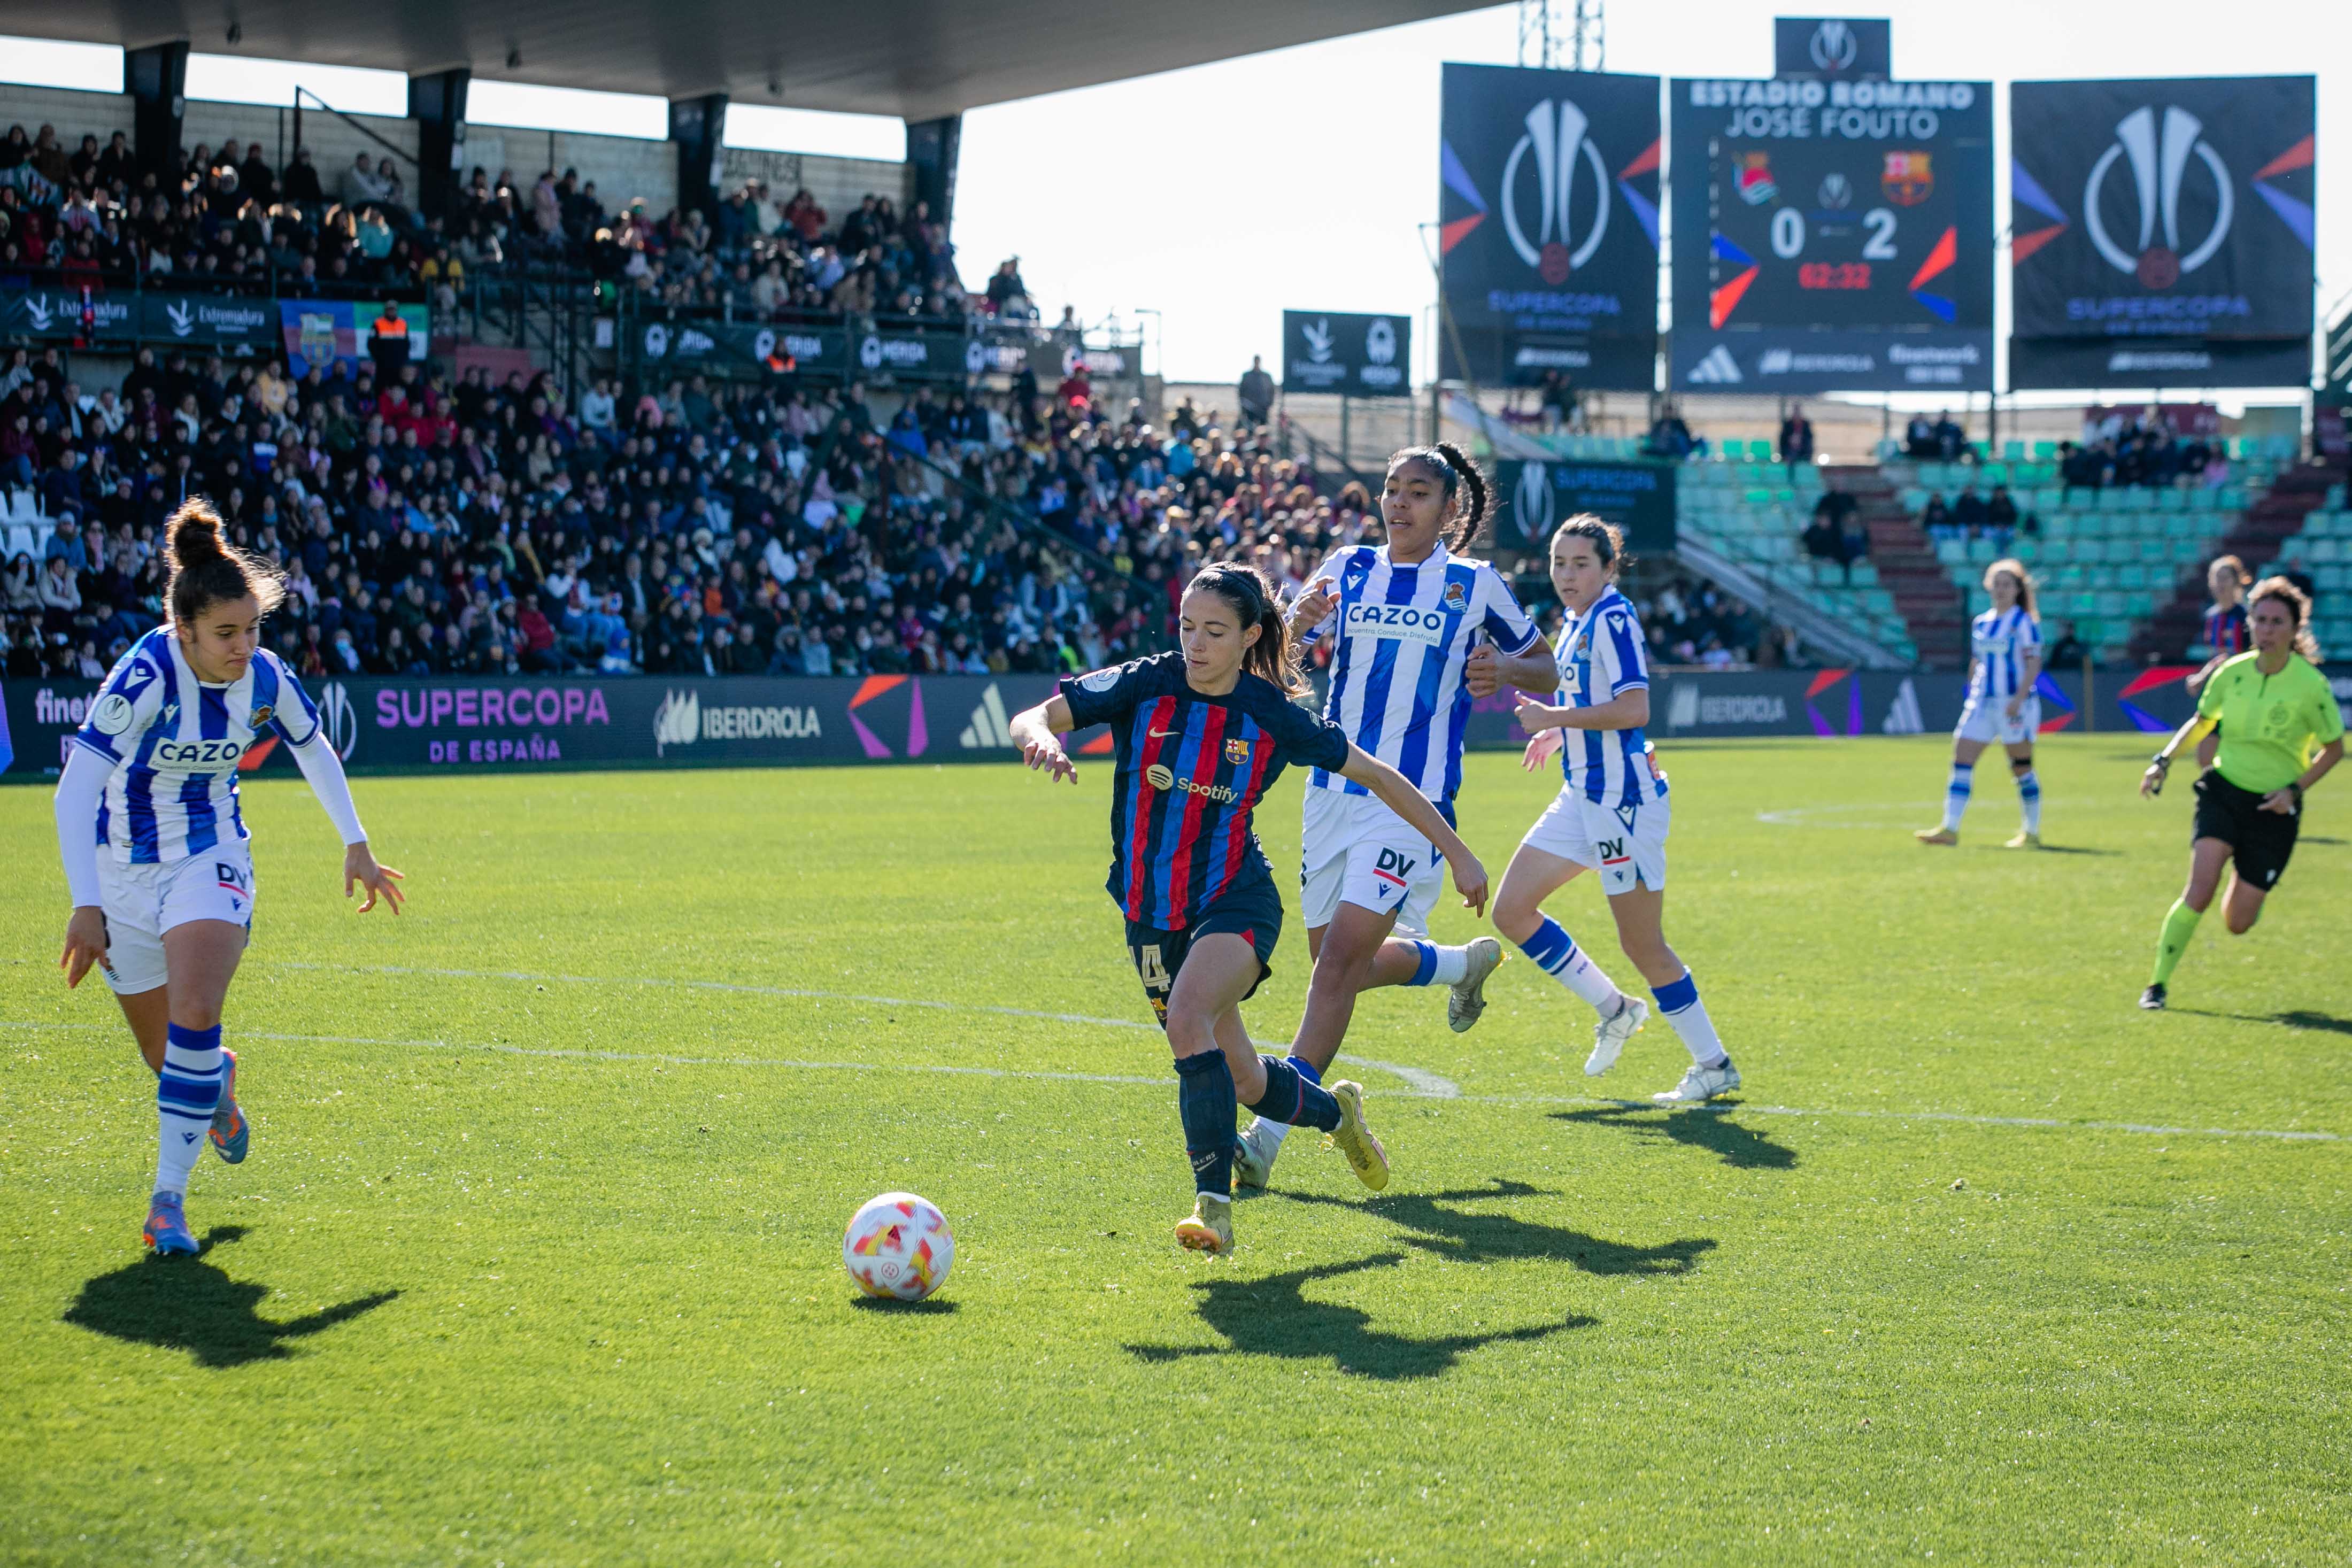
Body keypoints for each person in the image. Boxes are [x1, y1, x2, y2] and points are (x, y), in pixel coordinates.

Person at [1006, 562, 1488, 1256]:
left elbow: (1378, 775)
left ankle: (1213, 1207)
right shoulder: (1146, 682)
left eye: (1213, 631)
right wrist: (1041, 738)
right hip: (1147, 910)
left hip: (1235, 896)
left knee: (1187, 1017)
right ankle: (1335, 1112)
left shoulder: (1268, 714)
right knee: (1244, 1078)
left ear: (1249, 636)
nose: (1194, 644)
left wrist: (1459, 852)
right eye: (1185, 627)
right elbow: (1034, 714)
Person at [52, 500, 405, 1257]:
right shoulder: (144, 676)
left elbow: (313, 747)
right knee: (167, 1057)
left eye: (252, 629)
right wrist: (87, 905)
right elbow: (75, 791)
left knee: (197, 1008)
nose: (243, 647)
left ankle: (166, 1204)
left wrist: (357, 844)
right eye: (225, 634)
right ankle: (215, 1085)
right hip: (122, 876)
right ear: (184, 630)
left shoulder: (265, 677)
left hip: (211, 857)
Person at [1234, 444, 1552, 1193]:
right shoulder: (1345, 566)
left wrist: (1502, 669)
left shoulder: (1474, 585)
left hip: (1414, 805)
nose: (1397, 504)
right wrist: (1290, 618)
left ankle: (1266, 1136)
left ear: (1448, 511)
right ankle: (1457, 963)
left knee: (1338, 966)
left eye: (1416, 493)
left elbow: (1546, 665)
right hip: (1331, 792)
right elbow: (1267, 659)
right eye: (1389, 489)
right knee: (1333, 968)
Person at [1493, 516, 1740, 1103]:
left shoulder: (1613, 617)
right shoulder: (1578, 620)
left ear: (1609, 567)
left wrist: (1554, 719)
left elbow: (1633, 708)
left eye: (1581, 564)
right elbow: (1594, 701)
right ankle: (1616, 1008)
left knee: (1642, 944)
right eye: (1559, 562)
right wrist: (1562, 736)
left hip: (1621, 801)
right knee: (1511, 909)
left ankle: (1713, 1063)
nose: (1567, 574)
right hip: (1583, 793)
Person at [2138, 578, 2342, 1009]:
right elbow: (2201, 721)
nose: (2266, 630)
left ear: (2294, 628)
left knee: (2236, 923)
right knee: (2199, 888)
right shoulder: (2231, 673)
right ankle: (2156, 985)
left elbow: (2334, 748)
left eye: (2276, 622)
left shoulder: (2310, 685)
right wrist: (2164, 759)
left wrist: (2293, 790)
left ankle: (2250, 884)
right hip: (2223, 790)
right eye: (2260, 620)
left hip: (2274, 805)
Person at [1917, 560, 2043, 848]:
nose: (2000, 590)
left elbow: (2034, 662)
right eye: (1996, 584)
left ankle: (2032, 832)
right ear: (1989, 586)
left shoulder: (2023, 623)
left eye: (2006, 585)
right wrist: (1972, 686)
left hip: (2013, 705)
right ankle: (1949, 828)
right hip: (1982, 703)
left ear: (2017, 590)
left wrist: (2018, 699)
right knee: (1961, 759)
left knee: (2021, 767)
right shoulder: (1982, 623)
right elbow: (1978, 661)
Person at [2186, 555, 2251, 774]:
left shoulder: (2247, 617)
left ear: (2237, 581)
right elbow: (2217, 657)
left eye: (2225, 578)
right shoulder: (2211, 617)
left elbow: (2239, 657)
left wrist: (2202, 676)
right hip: (2220, 693)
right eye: (2216, 579)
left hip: (2245, 693)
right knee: (2205, 757)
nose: (2220, 584)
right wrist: (2203, 677)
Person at [1237, 356, 1275, 428]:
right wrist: (1244, 406)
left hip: (1263, 409)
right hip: (1250, 409)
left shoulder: (1266, 376)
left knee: (1263, 430)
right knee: (1250, 429)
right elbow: (1241, 392)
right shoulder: (1247, 376)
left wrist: (1269, 404)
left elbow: (1272, 391)